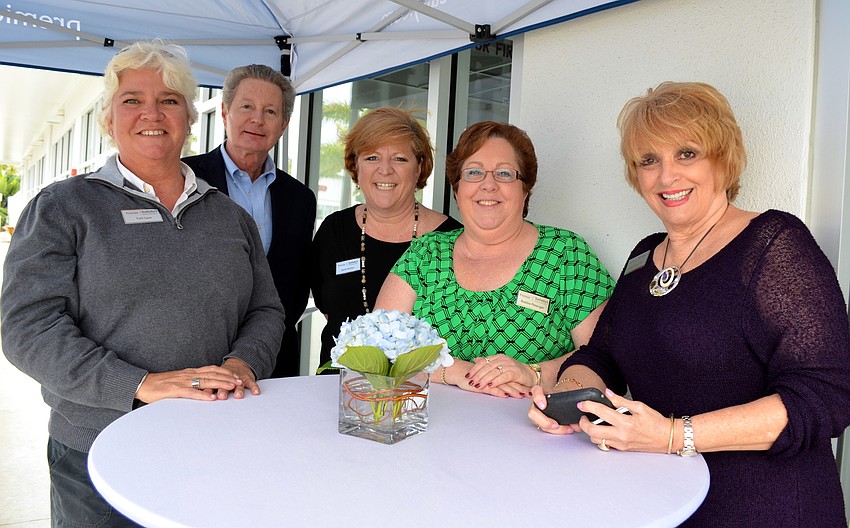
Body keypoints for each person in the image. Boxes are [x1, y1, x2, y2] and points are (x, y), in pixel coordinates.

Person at [528, 81, 850, 526]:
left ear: (723, 157)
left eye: (686, 153)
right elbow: (602, 355)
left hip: (764, 506)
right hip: (661, 498)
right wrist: (569, 397)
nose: (666, 176)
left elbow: (825, 397)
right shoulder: (645, 255)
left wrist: (674, 435)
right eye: (648, 161)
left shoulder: (773, 244)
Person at [1, 41, 285, 527]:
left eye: (169, 99)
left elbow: (266, 309)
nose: (151, 112)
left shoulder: (229, 215)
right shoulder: (64, 207)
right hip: (97, 446)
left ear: (191, 118)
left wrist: (242, 363)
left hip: (212, 437)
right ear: (108, 119)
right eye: (132, 99)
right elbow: (28, 327)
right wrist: (140, 385)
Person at [375, 121, 615, 398]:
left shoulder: (566, 254)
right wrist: (454, 371)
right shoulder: (425, 254)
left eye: (504, 173)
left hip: (535, 431)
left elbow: (604, 358)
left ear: (525, 190)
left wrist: (533, 373)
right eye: (474, 172)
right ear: (457, 189)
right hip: (428, 428)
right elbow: (379, 347)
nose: (488, 185)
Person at [183, 64, 316, 378]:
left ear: (283, 125)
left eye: (270, 111)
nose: (257, 119)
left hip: (274, 362)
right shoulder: (183, 178)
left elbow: (295, 288)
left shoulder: (300, 198)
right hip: (195, 363)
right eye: (247, 107)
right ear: (225, 110)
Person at [310, 107, 462, 370]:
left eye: (400, 159)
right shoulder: (333, 230)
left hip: (423, 399)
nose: (385, 170)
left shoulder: (452, 239)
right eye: (372, 157)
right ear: (355, 165)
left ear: (420, 168)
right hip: (338, 391)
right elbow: (328, 311)